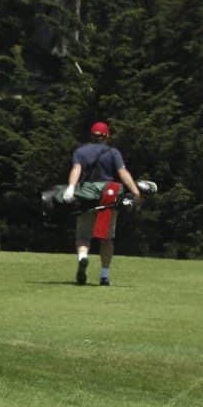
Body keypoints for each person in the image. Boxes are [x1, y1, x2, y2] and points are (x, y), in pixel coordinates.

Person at [62, 121, 143, 286]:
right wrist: (135, 191)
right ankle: (104, 275)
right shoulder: (113, 152)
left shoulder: (80, 151)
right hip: (108, 195)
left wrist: (70, 188)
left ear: (91, 135)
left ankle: (83, 257)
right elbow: (122, 172)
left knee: (83, 235)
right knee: (106, 237)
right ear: (107, 135)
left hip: (86, 195)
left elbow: (76, 169)